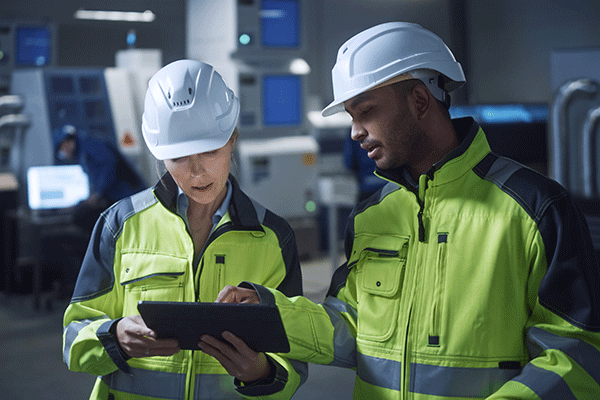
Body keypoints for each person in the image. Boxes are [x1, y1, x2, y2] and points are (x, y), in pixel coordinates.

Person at [213, 22, 600, 399]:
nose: (355, 132)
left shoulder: (537, 210)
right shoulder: (371, 217)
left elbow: (575, 357)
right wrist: (266, 310)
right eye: (351, 116)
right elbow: (351, 326)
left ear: (418, 101)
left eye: (365, 112)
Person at [62, 59, 307, 400]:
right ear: (161, 155)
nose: (196, 172)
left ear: (232, 139)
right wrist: (113, 336)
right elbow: (73, 336)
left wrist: (262, 373)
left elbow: (297, 353)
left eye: (209, 151)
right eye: (178, 156)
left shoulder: (273, 238)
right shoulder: (119, 225)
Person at [54, 124, 147, 234]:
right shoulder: (83, 151)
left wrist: (99, 193)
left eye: (62, 149)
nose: (63, 153)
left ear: (65, 144)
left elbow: (109, 165)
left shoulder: (90, 144)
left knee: (82, 217)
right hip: (117, 198)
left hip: (127, 195)